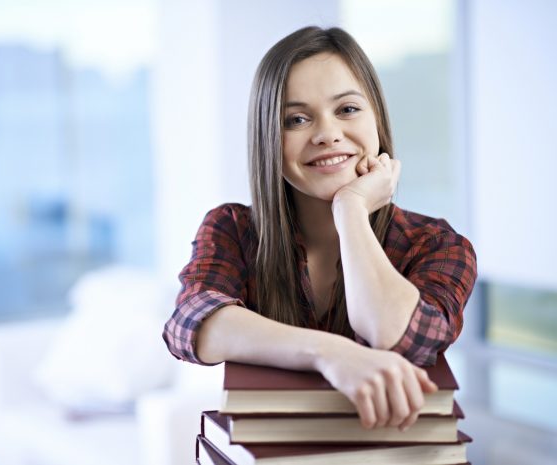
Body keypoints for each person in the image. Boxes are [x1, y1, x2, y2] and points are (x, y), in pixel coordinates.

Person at [162, 26, 476, 432]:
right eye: (296, 119)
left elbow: (398, 337)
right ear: (269, 139)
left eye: (347, 110)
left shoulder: (436, 244)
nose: (327, 134)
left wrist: (351, 209)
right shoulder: (233, 229)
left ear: (376, 120)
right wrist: (328, 354)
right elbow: (191, 323)